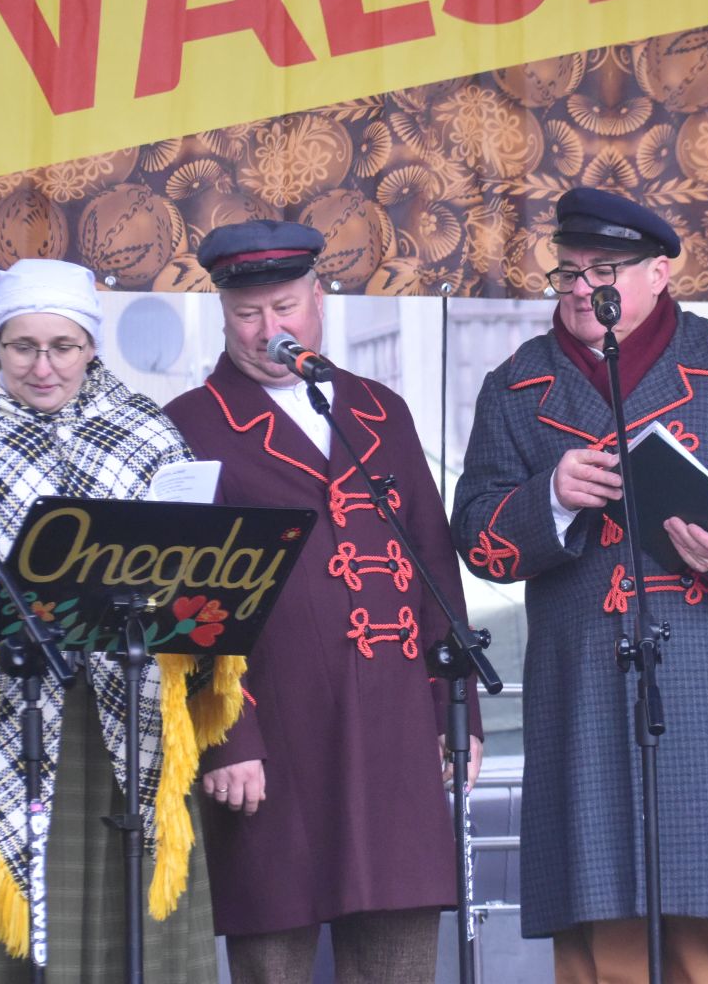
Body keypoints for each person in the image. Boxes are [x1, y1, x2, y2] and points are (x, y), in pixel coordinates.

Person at [453, 187, 708, 983]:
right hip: (582, 688)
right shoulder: (515, 385)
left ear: (659, 273)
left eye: (605, 271)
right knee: (600, 940)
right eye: (569, 271)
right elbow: (478, 536)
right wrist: (551, 499)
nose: (582, 288)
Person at [0, 258, 240, 982]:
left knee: (123, 903)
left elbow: (190, 558)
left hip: (125, 714)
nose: (43, 367)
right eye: (24, 347)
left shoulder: (143, 429)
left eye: (63, 347)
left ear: (90, 347)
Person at [163, 219, 480, 984]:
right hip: (274, 738)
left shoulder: (380, 410)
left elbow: (435, 567)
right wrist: (226, 737)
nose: (268, 329)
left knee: (400, 960)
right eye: (247, 313)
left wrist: (456, 708)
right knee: (274, 957)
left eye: (284, 307)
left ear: (319, 300)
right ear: (223, 314)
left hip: (395, 727)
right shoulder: (189, 423)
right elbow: (185, 600)